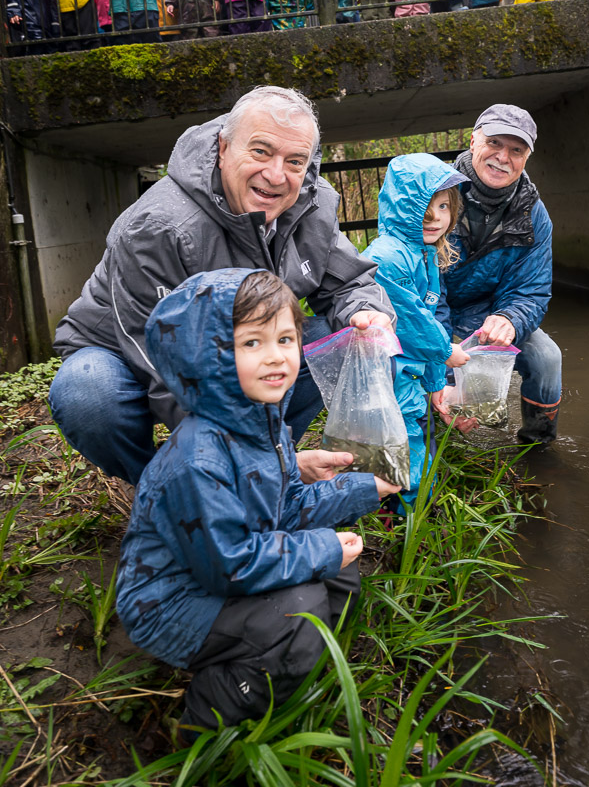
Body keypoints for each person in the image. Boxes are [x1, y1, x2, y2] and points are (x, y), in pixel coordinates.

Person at [49, 86, 395, 486]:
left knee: (340, 338)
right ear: (223, 146)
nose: (276, 175)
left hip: (241, 345)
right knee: (87, 394)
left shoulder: (312, 206)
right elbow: (164, 356)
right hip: (131, 354)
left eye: (294, 161)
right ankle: (163, 490)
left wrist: (365, 313)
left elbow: (347, 282)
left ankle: (267, 470)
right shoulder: (159, 226)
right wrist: (253, 461)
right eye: (261, 152)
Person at [116, 267, 400, 733]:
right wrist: (322, 550)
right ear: (207, 357)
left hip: (220, 569)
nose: (276, 358)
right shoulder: (198, 459)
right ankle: (208, 722)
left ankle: (296, 671)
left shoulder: (264, 424)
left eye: (286, 339)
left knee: (339, 576)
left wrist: (363, 488)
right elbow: (229, 563)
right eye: (252, 343)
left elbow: (284, 508)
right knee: (299, 610)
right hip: (169, 602)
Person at [441, 104, 562, 446]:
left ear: (527, 158)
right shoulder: (436, 193)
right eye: (494, 143)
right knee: (430, 368)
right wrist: (445, 359)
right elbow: (414, 282)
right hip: (433, 310)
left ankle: (538, 445)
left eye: (516, 150)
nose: (502, 157)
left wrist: (509, 318)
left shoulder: (535, 215)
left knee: (547, 358)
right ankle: (435, 439)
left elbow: (531, 291)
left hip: (490, 315)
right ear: (473, 140)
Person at [362, 154, 472, 504]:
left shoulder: (422, 252)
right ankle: (410, 515)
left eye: (443, 206)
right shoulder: (389, 257)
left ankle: (416, 498)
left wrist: (437, 382)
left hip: (410, 369)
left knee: (417, 430)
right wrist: (445, 351)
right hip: (391, 369)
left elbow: (431, 314)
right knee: (404, 436)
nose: (434, 216)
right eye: (423, 205)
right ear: (401, 207)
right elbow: (411, 320)